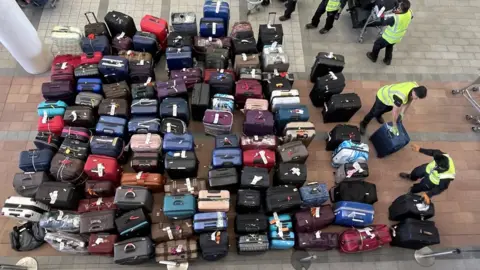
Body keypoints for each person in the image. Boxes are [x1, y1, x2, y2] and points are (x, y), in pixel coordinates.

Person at [359, 82, 427, 135]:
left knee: (388, 109)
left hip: (390, 98)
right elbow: (395, 112)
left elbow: (409, 100)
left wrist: (402, 114)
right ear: (414, 92)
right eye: (417, 97)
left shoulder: (415, 86)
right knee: (374, 112)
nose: (416, 99)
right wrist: (394, 126)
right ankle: (363, 123)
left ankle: (378, 115)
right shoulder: (401, 96)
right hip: (382, 97)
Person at [366, 0, 413, 65]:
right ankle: (387, 60)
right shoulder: (409, 13)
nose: (397, 8)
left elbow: (383, 23)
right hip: (398, 37)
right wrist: (396, 12)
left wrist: (381, 15)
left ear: (402, 10)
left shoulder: (395, 18)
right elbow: (410, 17)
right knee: (389, 46)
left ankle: (373, 56)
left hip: (389, 37)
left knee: (377, 44)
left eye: (399, 8)